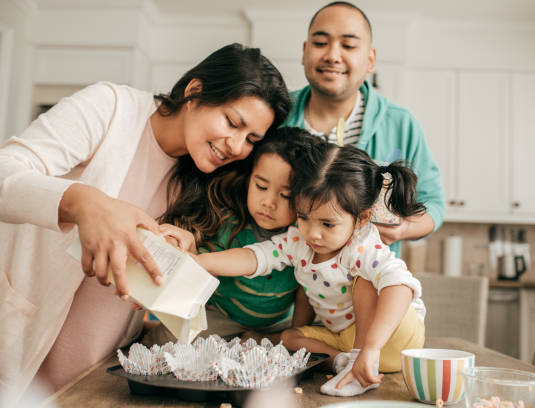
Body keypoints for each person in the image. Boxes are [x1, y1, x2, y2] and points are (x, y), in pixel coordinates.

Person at [0, 43, 291, 402]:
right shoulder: (110, 108)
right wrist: (86, 203)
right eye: (233, 122)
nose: (236, 145)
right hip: (16, 353)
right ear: (194, 92)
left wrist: (178, 257)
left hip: (94, 380)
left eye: (252, 139)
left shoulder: (204, 181)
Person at [195, 143, 427, 397]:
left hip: (392, 335)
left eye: (328, 224)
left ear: (361, 218)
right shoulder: (298, 242)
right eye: (304, 217)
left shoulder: (362, 244)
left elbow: (401, 286)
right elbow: (255, 257)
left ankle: (360, 361)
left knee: (366, 280)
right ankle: (342, 364)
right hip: (343, 340)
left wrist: (370, 349)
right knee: (290, 338)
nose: (312, 233)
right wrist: (202, 262)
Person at [284, 1, 445, 256]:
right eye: (320, 43)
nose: (333, 55)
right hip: (280, 286)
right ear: (304, 52)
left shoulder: (400, 123)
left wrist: (402, 228)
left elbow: (433, 205)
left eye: (348, 45)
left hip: (366, 287)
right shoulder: (275, 113)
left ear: (370, 59)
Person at [144, 127, 326, 346]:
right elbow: (198, 267)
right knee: (167, 341)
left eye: (286, 195)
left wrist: (296, 333)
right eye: (261, 186)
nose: (269, 202)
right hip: (221, 316)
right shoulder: (228, 220)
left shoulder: (306, 237)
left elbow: (305, 292)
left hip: (279, 324)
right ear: (249, 179)